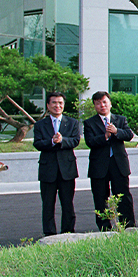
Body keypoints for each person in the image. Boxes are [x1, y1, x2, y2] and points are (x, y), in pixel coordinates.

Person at [83, 91, 136, 230]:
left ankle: (128, 224)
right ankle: (105, 227)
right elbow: (90, 142)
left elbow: (129, 135)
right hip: (99, 165)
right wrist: (105, 136)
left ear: (110, 103)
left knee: (123, 195)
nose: (102, 105)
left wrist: (116, 131)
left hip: (119, 164)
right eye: (98, 103)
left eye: (104, 102)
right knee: (100, 197)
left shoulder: (120, 119)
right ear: (94, 106)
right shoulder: (89, 123)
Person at [33, 92, 80, 236]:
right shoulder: (40, 124)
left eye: (60, 103)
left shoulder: (72, 123)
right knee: (48, 204)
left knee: (67, 203)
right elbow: (38, 143)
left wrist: (62, 140)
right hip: (48, 169)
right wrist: (52, 141)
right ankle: (49, 234)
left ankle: (68, 232)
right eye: (54, 103)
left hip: (67, 169)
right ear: (48, 105)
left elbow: (75, 141)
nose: (57, 106)